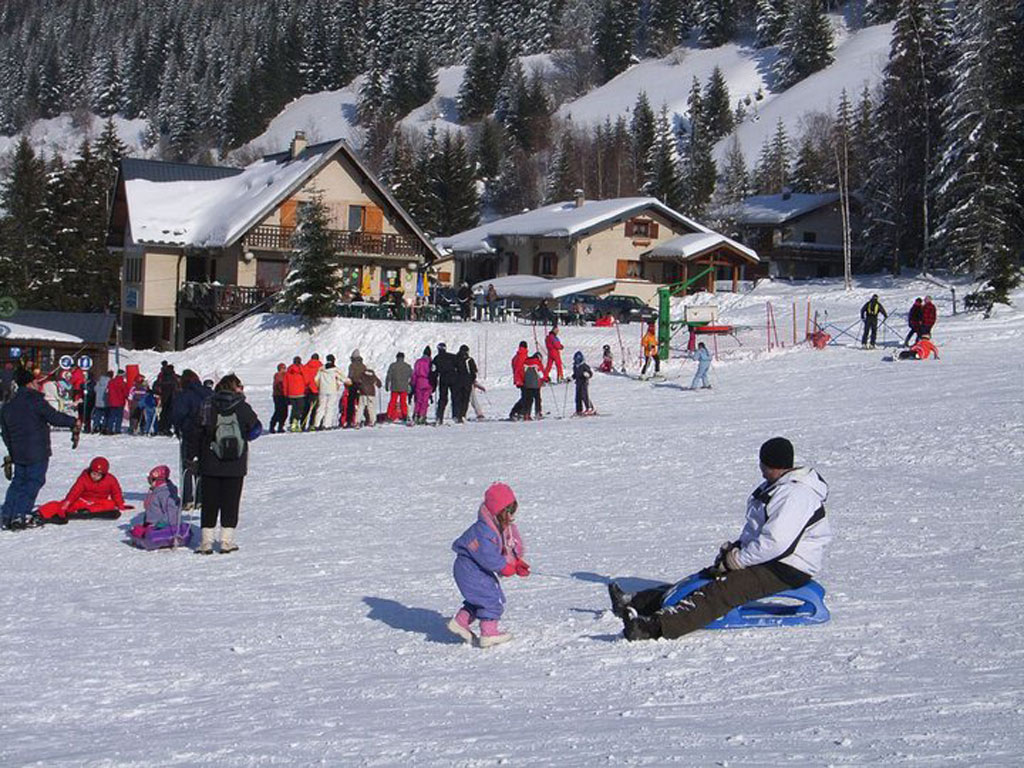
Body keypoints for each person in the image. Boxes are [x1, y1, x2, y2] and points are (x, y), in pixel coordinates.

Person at [609, 437, 831, 641]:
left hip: (788, 566)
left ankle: (653, 627)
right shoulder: (776, 488)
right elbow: (758, 533)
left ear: (770, 464)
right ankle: (638, 602)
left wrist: (739, 560)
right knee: (707, 576)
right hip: (770, 558)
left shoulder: (795, 495)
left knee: (723, 589)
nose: (760, 470)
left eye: (762, 464)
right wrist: (734, 551)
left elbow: (777, 543)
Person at [186, 374, 261, 554]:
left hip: (210, 461)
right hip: (235, 463)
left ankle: (206, 542)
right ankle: (226, 541)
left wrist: (192, 457)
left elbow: (195, 432)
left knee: (210, 502)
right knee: (231, 502)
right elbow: (256, 428)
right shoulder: (242, 406)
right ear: (234, 387)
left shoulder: (207, 405)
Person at [447, 482, 528, 647]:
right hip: (469, 569)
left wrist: (516, 562)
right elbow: (488, 556)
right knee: (490, 598)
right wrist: (503, 567)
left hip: (474, 568)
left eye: (513, 511)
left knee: (479, 598)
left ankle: (460, 622)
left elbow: (509, 546)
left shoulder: (499, 528)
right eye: (508, 511)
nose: (511, 516)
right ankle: (488, 633)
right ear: (498, 511)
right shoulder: (483, 531)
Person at [1, 368, 80, 530]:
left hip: (18, 450)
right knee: (33, 481)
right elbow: (54, 417)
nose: (39, 385)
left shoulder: (8, 406)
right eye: (37, 382)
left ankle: (8, 514)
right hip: (36, 450)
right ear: (30, 383)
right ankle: (21, 514)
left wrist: (12, 450)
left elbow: (5, 432)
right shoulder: (36, 401)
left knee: (18, 482)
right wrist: (73, 422)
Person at [36, 456, 125, 523]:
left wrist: (120, 504)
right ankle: (42, 512)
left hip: (99, 501)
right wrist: (67, 503)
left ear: (104, 475)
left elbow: (116, 493)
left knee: (110, 504)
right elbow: (75, 491)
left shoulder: (110, 480)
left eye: (98, 475)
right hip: (83, 500)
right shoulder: (84, 478)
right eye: (93, 474)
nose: (95, 477)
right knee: (62, 505)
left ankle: (88, 511)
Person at [172, 369, 214, 510]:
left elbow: (178, 414)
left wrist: (178, 428)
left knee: (187, 466)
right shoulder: (208, 392)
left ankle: (188, 499)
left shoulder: (184, 395)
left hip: (189, 432)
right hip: (206, 433)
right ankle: (201, 498)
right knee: (202, 466)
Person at [128, 465, 182, 543]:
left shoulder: (165, 493)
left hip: (161, 526)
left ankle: (148, 537)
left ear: (159, 480)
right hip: (153, 523)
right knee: (136, 529)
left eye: (151, 480)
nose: (149, 483)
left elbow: (172, 510)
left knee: (138, 531)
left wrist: (163, 523)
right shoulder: (156, 490)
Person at [314, 354, 345, 430]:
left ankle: (316, 424)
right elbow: (343, 378)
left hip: (322, 390)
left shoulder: (321, 369)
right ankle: (327, 424)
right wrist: (349, 382)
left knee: (321, 407)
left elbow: (316, 379)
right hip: (332, 391)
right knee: (329, 407)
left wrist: (319, 386)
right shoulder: (335, 369)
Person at [431, 342, 457, 424]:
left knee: (442, 398)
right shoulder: (452, 356)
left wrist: (434, 382)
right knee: (455, 397)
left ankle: (439, 416)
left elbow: (434, 371)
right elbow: (458, 365)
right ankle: (456, 415)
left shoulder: (436, 358)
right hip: (453, 378)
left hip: (443, 379)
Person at [451, 345, 477, 423]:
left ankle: (456, 415)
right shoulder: (469, 359)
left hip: (457, 382)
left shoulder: (455, 358)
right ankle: (462, 415)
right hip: (467, 382)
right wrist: (472, 379)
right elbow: (474, 371)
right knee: (465, 399)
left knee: (457, 399)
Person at [385, 352, 413, 423]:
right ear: (403, 358)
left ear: (396, 357)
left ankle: (389, 415)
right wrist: (411, 385)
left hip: (395, 387)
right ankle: (404, 415)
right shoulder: (407, 366)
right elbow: (412, 376)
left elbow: (388, 376)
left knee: (392, 401)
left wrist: (387, 385)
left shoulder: (392, 366)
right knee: (403, 402)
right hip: (404, 387)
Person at [411, 347, 434, 425]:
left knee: (418, 400)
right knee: (425, 401)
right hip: (428, 383)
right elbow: (433, 373)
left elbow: (414, 374)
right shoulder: (430, 362)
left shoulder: (418, 362)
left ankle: (415, 415)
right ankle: (422, 415)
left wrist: (413, 383)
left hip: (419, 382)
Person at [519, 353, 544, 420]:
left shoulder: (525, 362)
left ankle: (526, 414)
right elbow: (541, 374)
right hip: (536, 385)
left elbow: (521, 372)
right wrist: (545, 379)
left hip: (527, 384)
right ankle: (538, 413)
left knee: (528, 400)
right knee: (537, 399)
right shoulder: (537, 363)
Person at [508, 341, 529, 419]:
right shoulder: (523, 356)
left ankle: (518, 412)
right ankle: (517, 412)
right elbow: (522, 369)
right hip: (522, 379)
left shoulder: (516, 356)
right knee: (525, 397)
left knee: (524, 396)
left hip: (517, 378)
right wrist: (525, 378)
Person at [285, 356, 307, 432]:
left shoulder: (289, 370)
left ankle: (292, 423)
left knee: (294, 408)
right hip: (300, 392)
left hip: (291, 393)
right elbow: (306, 379)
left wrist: (286, 394)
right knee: (300, 409)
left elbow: (285, 383)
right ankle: (295, 422)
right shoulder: (302, 370)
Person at [346, 350, 367, 428]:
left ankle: (349, 420)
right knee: (361, 403)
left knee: (350, 403)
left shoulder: (352, 365)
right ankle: (363, 418)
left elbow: (350, 376)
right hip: (362, 386)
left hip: (353, 386)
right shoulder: (363, 366)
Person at [302, 353, 323, 430]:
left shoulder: (305, 367)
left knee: (306, 408)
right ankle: (312, 424)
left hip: (307, 390)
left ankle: (302, 424)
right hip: (317, 390)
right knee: (315, 409)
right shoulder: (321, 367)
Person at [572, 351, 594, 415]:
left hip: (584, 382)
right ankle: (579, 410)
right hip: (578, 383)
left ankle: (589, 408)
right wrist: (571, 378)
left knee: (584, 396)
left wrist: (587, 374)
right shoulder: (575, 366)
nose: (577, 361)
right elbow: (575, 375)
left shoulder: (584, 366)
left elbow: (590, 373)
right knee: (577, 397)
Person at [269, 363, 288, 433]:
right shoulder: (278, 375)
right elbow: (279, 385)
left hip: (283, 395)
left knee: (284, 412)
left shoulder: (285, 375)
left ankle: (281, 426)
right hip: (278, 396)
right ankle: (272, 425)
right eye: (283, 368)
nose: (285, 369)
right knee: (278, 411)